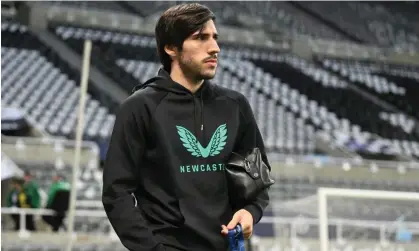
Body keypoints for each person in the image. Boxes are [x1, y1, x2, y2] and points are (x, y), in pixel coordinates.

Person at [102, 3, 270, 251]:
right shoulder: (139, 108)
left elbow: (256, 180)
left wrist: (250, 211)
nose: (215, 48)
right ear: (171, 48)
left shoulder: (235, 106)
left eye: (214, 38)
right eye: (200, 38)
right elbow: (116, 193)